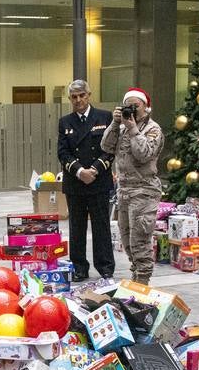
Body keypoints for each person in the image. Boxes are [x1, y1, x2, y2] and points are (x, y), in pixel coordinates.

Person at [100, 88, 164, 284]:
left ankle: (141, 287)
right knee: (127, 243)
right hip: (125, 191)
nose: (133, 110)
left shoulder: (153, 129)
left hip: (144, 191)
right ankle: (136, 282)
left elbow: (144, 153)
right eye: (129, 106)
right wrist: (115, 122)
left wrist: (133, 129)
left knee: (140, 244)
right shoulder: (121, 127)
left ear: (146, 107)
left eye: (136, 106)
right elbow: (106, 146)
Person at [57, 79, 115, 281]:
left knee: (101, 226)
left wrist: (94, 170)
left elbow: (110, 149)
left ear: (89, 95)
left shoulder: (105, 117)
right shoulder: (65, 122)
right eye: (74, 97)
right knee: (77, 228)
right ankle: (79, 268)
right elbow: (63, 153)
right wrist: (80, 171)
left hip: (98, 181)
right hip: (76, 183)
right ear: (70, 99)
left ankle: (106, 267)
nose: (78, 100)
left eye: (82, 95)